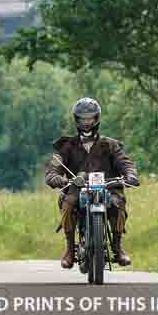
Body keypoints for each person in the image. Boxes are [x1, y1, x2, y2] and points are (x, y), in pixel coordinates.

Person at [45, 97, 140, 269]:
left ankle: (117, 247)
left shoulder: (110, 145)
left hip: (108, 188)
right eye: (83, 118)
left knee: (118, 204)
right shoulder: (66, 146)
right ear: (77, 120)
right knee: (68, 203)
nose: (87, 122)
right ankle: (69, 250)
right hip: (76, 189)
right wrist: (58, 178)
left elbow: (125, 163)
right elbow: (53, 169)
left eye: (90, 118)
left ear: (97, 118)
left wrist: (130, 175)